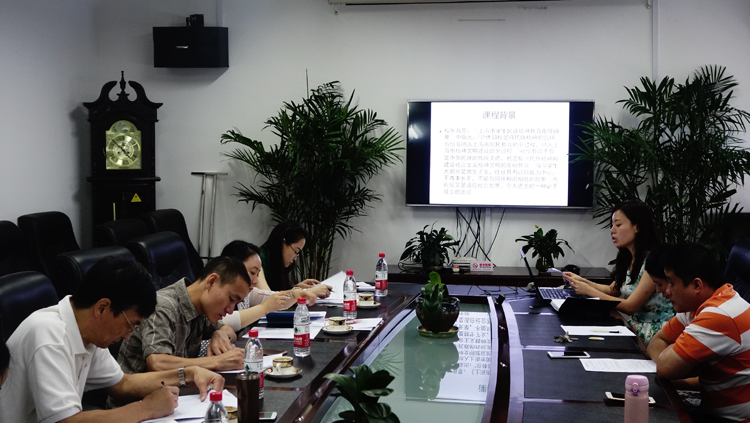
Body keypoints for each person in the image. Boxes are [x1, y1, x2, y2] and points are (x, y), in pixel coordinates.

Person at [0, 257, 224, 423]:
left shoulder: (88, 332)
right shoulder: (48, 335)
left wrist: (189, 373)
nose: (128, 335)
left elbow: (122, 384)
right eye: (131, 324)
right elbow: (66, 422)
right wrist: (146, 408)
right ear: (102, 308)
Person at [647, 243, 750, 422]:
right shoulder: (699, 305)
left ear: (696, 285)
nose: (666, 291)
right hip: (710, 408)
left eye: (671, 283)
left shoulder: (718, 315)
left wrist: (676, 364)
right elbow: (657, 341)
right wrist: (678, 364)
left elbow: (664, 368)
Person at [116, 256, 251, 375]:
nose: (230, 310)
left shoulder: (202, 306)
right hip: (140, 394)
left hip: (175, 390)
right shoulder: (163, 306)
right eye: (231, 299)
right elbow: (158, 364)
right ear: (211, 281)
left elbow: (229, 331)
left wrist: (220, 333)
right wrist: (217, 361)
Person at [563, 201, 674, 344]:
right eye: (612, 225)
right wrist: (580, 281)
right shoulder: (630, 258)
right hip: (634, 327)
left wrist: (589, 291)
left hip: (654, 334)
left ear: (637, 227)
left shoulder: (652, 262)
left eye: (618, 225)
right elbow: (612, 290)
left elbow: (630, 307)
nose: (612, 230)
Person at [218, 240, 320, 333]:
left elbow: (276, 299)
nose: (255, 281)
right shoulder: (218, 294)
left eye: (257, 274)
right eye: (252, 272)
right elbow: (223, 321)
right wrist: (265, 308)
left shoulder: (249, 293)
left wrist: (294, 293)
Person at [256, 220, 332, 295]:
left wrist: (297, 287)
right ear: (283, 243)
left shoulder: (275, 262)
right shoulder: (258, 261)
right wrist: (307, 292)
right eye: (296, 251)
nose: (295, 258)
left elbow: (276, 291)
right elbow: (267, 296)